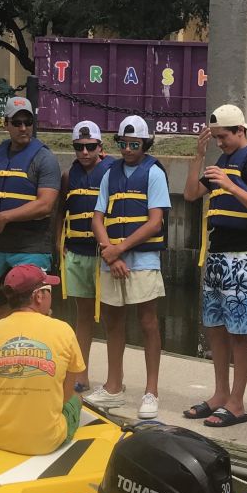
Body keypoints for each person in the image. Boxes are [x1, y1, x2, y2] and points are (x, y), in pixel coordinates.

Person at [182, 104, 247, 428]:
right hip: (215, 254)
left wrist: (230, 185)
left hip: (243, 256)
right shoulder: (221, 161)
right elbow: (191, 193)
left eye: (224, 137)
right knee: (215, 326)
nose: (220, 143)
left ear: (240, 130)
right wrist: (199, 156)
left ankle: (237, 402)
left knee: (240, 331)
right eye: (216, 138)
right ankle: (219, 394)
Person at [85, 115, 169, 420]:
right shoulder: (110, 173)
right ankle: (113, 386)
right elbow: (97, 218)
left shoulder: (154, 173)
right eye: (123, 143)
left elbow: (155, 221)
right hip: (113, 258)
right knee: (113, 322)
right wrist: (111, 252)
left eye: (135, 143)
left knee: (148, 323)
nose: (129, 149)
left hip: (143, 259)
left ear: (145, 144)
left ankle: (151, 390)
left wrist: (119, 249)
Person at [0, 264, 85, 455]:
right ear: (38, 296)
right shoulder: (64, 330)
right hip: (45, 442)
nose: (50, 296)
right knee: (76, 398)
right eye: (48, 291)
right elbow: (64, 396)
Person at [0, 96, 61, 322]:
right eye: (17, 122)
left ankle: (34, 356)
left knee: (34, 312)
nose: (23, 127)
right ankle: (3, 355)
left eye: (28, 122)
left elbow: (46, 204)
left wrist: (5, 217)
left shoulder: (45, 158)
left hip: (31, 248)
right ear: (6, 124)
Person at [58, 120, 115, 393]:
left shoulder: (112, 171)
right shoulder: (69, 176)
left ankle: (114, 378)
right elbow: (60, 211)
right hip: (77, 252)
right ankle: (81, 374)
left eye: (90, 147)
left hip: (104, 255)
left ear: (100, 147)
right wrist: (58, 244)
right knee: (82, 316)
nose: (84, 152)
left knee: (111, 316)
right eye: (79, 147)